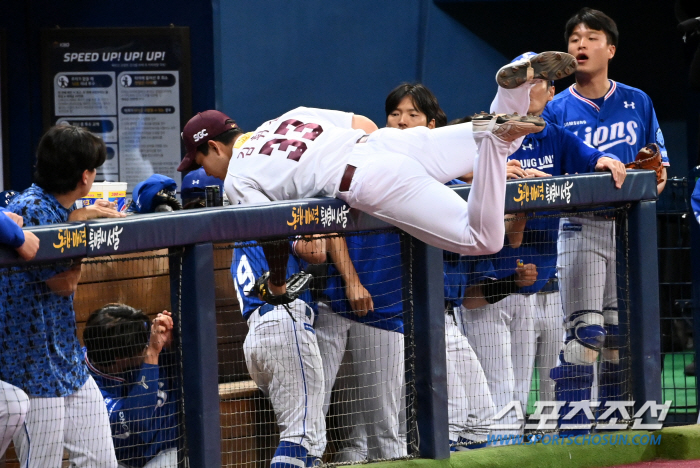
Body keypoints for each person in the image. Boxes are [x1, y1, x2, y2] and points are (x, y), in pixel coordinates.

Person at [177, 103, 546, 302]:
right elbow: (362, 122)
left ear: (214, 146)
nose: (205, 173)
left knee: (483, 239)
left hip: (366, 177)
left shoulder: (238, 177)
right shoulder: (287, 116)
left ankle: (497, 134)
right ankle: (509, 90)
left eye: (200, 161)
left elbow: (271, 236)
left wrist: (276, 283)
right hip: (390, 143)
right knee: (501, 138)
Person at [539, 8, 669, 433]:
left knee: (615, 338)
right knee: (585, 336)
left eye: (591, 37)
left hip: (628, 229)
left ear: (610, 49)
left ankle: (614, 431)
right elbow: (547, 175)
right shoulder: (556, 108)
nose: (580, 44)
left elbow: (660, 168)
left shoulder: (637, 100)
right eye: (574, 37)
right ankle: (572, 433)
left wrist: (656, 176)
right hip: (581, 225)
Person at [0, 124, 124, 467]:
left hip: (67, 361)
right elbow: (63, 284)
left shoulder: (58, 206)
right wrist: (80, 230)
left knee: (101, 461)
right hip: (29, 368)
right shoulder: (34, 207)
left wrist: (78, 218)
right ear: (85, 177)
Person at [232, 237, 327, 468]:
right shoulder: (270, 218)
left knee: (313, 440)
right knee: (299, 435)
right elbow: (318, 251)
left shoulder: (240, 236)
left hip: (260, 333)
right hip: (284, 323)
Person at [83, 305, 180, 468]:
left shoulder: (130, 337)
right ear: (120, 358)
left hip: (170, 448)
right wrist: (153, 353)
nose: (148, 343)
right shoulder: (87, 391)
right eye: (142, 348)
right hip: (122, 462)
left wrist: (173, 342)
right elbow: (138, 420)